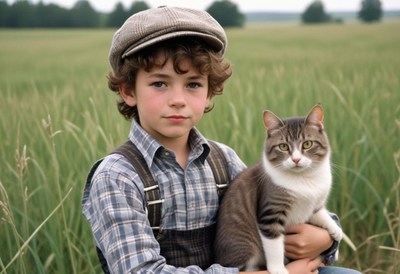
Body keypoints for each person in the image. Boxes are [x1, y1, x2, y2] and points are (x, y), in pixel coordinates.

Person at [82, 6, 361, 274]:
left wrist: (325, 239)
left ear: (208, 94)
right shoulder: (117, 177)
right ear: (129, 91)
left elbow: (282, 210)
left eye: (193, 84)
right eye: (159, 83)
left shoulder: (223, 160)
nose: (178, 100)